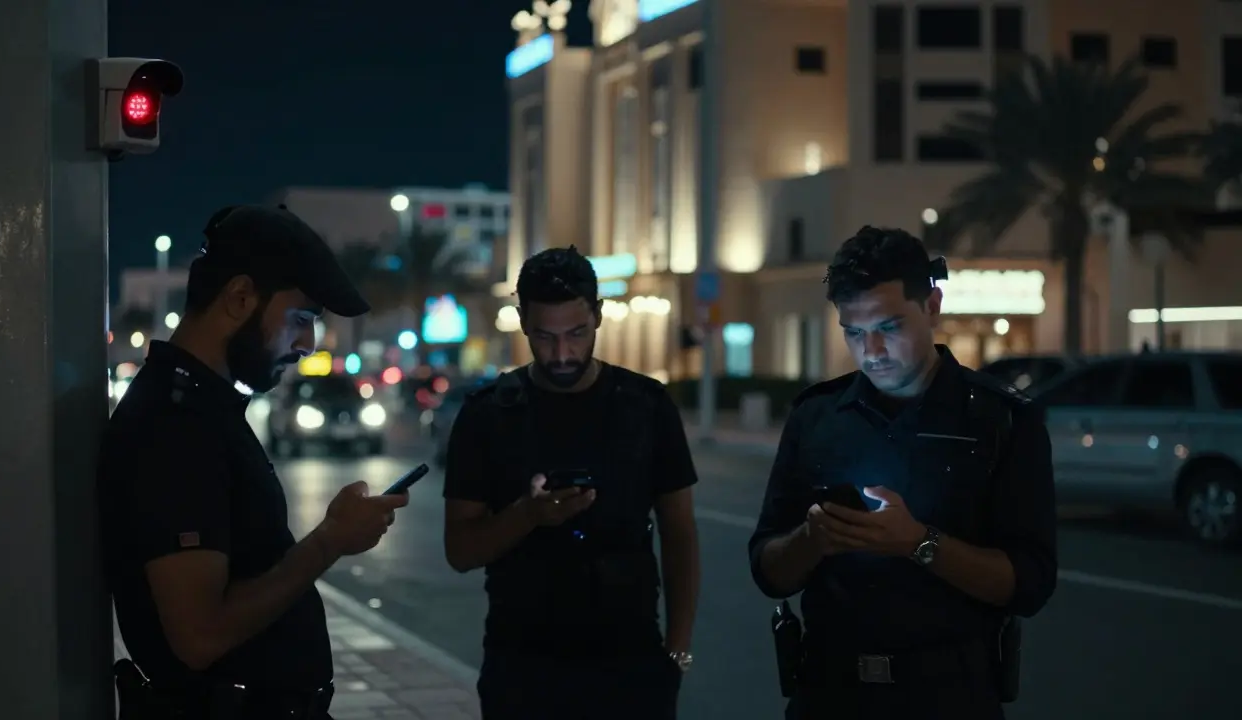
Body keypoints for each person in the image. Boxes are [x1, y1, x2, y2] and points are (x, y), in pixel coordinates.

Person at [100, 205, 409, 719]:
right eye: (301, 318)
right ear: (240, 297)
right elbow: (199, 635)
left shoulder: (203, 407)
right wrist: (330, 540)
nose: (308, 343)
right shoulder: (177, 428)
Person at [748, 226, 1058, 720]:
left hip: (949, 697)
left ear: (932, 306)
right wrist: (812, 539)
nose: (871, 350)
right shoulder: (817, 416)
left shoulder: (1001, 421)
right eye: (853, 332)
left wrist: (918, 543)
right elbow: (768, 570)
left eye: (889, 327)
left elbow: (1031, 583)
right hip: (828, 694)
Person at [442, 246, 701, 720]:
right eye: (545, 337)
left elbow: (680, 534)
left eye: (576, 334)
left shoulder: (646, 406)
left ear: (598, 317)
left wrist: (677, 652)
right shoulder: (488, 416)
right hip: (523, 667)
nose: (562, 354)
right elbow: (460, 550)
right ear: (522, 322)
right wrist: (528, 514)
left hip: (630, 662)